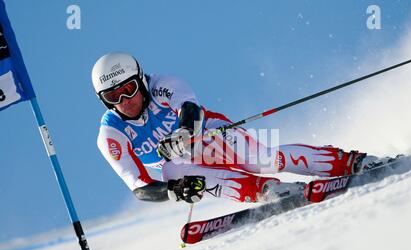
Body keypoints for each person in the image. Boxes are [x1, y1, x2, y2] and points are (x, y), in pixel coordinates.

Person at [93, 52, 369, 205]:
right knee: (171, 172)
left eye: (128, 89)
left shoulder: (161, 85)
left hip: (208, 133)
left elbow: (191, 110)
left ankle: (347, 162)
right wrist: (173, 191)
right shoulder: (111, 135)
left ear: (140, 80)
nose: (124, 101)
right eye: (112, 97)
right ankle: (266, 191)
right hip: (181, 162)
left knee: (262, 160)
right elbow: (139, 187)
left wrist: (183, 133)